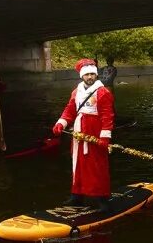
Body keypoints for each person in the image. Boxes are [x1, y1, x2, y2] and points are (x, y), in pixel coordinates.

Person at [52, 58, 115, 212]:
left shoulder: (103, 92)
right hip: (79, 133)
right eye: (86, 75)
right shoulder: (76, 91)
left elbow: (107, 116)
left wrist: (105, 138)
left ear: (96, 75)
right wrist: (61, 123)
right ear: (82, 76)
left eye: (92, 74)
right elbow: (70, 110)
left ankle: (102, 199)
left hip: (95, 133)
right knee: (78, 163)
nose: (89, 77)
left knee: (97, 165)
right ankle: (77, 195)